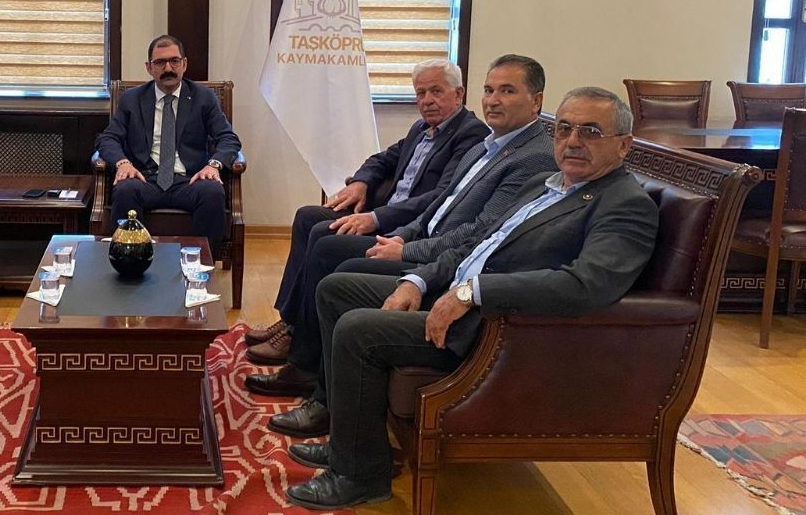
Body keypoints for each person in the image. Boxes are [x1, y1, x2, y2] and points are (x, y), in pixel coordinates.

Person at [279, 87, 660, 510]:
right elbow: (477, 243)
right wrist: (418, 281)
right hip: (455, 292)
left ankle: (359, 475)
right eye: (565, 129)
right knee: (337, 289)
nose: (573, 141)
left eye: (590, 131)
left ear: (624, 144)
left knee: (358, 329)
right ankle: (347, 439)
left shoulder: (626, 205)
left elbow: (584, 285)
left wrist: (472, 292)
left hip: (495, 328)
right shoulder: (545, 184)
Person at [246, 55, 557, 397]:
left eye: (507, 91)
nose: (493, 100)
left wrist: (400, 241)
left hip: (437, 253)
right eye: (489, 90)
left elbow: (476, 228)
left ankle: (304, 360)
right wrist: (365, 187)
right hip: (413, 231)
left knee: (328, 245)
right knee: (313, 219)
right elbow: (431, 196)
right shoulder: (474, 142)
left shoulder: (491, 143)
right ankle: (294, 326)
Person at [247, 59, 488, 365]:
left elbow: (440, 197)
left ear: (459, 93)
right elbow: (382, 159)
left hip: (408, 229)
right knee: (308, 217)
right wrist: (361, 182)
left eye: (436, 91)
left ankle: (300, 344)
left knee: (324, 235)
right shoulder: (421, 128)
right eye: (420, 93)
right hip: (384, 211)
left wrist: (375, 218)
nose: (427, 100)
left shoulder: (470, 135)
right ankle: (291, 319)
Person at [94, 35, 241, 254]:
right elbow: (108, 138)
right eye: (160, 62)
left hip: (189, 180)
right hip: (145, 179)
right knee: (125, 189)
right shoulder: (132, 99)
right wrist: (123, 163)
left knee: (212, 192)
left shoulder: (204, 98)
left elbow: (228, 138)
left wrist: (214, 165)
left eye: (174, 61)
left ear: (184, 64)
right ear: (149, 67)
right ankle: (131, 261)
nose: (168, 68)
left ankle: (201, 265)